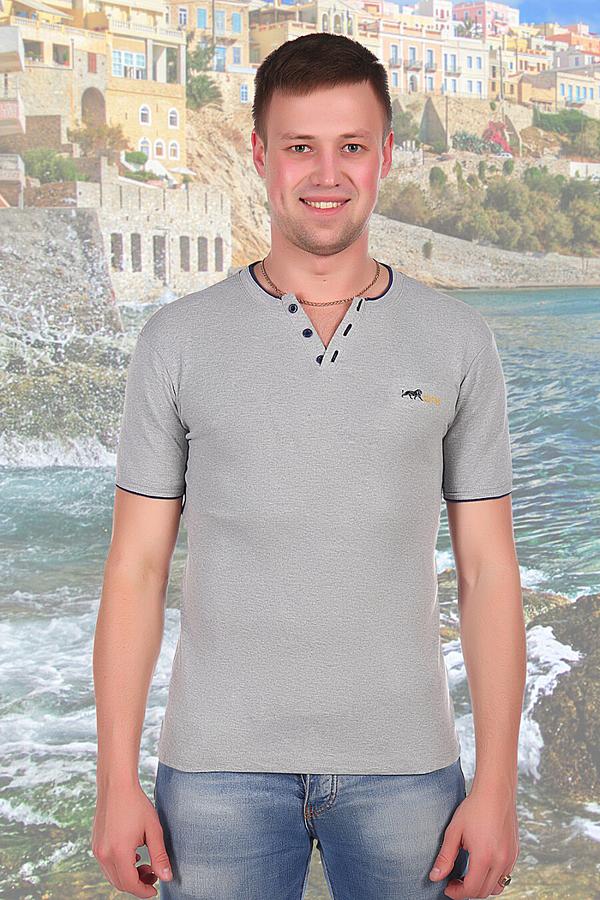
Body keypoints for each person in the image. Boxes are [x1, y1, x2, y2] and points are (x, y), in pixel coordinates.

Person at [91, 31, 525, 900]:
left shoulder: (458, 341)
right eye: (300, 147)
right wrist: (114, 781)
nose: (327, 175)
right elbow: (135, 568)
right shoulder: (175, 342)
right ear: (260, 155)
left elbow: (487, 570)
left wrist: (498, 789)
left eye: (351, 147)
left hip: (409, 769)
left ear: (385, 156)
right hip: (213, 773)